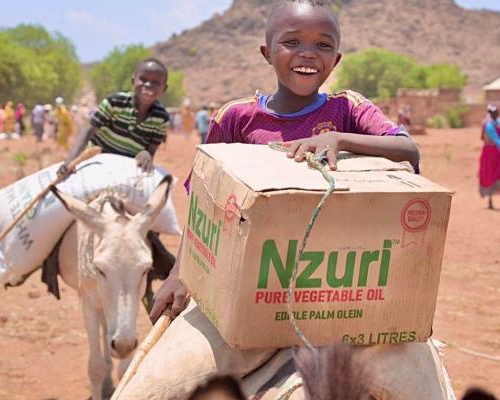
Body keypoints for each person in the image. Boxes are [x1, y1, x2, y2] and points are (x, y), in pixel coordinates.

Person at [121, 3, 448, 399]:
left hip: (343, 291)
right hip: (250, 289)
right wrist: (179, 274)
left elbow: (407, 149)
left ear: (336, 59)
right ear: (267, 52)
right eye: (291, 42)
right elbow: (206, 202)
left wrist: (339, 139)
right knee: (156, 387)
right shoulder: (235, 119)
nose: (307, 53)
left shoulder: (347, 109)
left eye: (322, 45)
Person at [57, 57, 176, 309]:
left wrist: (144, 155)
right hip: (96, 167)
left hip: (127, 175)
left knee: (145, 224)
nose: (148, 85)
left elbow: (149, 152)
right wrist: (70, 162)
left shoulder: (160, 117)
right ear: (133, 80)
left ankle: (151, 276)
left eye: (155, 83)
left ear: (164, 89)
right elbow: (88, 131)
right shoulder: (114, 102)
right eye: (143, 79)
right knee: (61, 213)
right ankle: (49, 260)